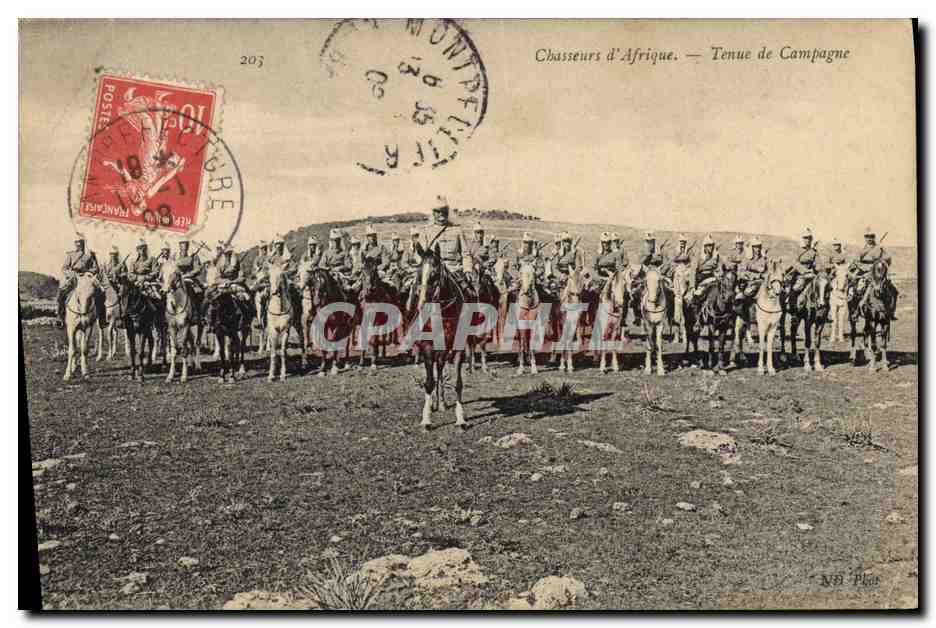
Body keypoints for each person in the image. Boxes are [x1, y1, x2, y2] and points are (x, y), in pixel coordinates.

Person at [849, 227, 897, 318]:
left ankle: (891, 311)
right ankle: (856, 310)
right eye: (867, 237)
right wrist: (865, 266)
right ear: (865, 238)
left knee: (893, 290)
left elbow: (888, 259)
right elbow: (856, 261)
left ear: (874, 237)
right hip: (864, 271)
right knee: (857, 289)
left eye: (871, 236)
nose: (869, 238)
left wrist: (880, 257)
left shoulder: (880, 248)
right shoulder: (861, 249)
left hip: (877, 271)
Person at [57, 233, 100, 321]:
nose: (78, 245)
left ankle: (99, 317)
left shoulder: (89, 255)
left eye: (80, 243)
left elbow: (95, 268)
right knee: (61, 293)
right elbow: (64, 268)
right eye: (76, 243)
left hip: (85, 278)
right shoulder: (71, 255)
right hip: (73, 278)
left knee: (99, 292)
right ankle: (60, 317)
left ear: (83, 243)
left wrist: (87, 272)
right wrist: (71, 273)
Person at [789, 228, 818, 297]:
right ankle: (791, 301)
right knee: (797, 287)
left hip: (811, 274)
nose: (807, 240)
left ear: (811, 239)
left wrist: (816, 268)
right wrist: (805, 270)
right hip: (798, 274)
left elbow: (817, 263)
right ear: (803, 239)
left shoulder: (814, 251)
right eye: (805, 238)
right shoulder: (798, 249)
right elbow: (794, 262)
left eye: (809, 238)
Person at [738, 237, 768, 301]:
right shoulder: (747, 259)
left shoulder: (764, 259)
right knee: (745, 294)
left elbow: (766, 271)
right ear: (752, 248)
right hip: (748, 283)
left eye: (759, 247)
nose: (758, 249)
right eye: (756, 247)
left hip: (761, 283)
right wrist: (755, 275)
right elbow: (741, 272)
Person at [693, 234, 721, 299]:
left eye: (712, 245)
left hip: (712, 277)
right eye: (709, 245)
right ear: (705, 247)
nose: (711, 247)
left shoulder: (715, 257)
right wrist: (692, 286)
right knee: (698, 295)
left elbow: (719, 268)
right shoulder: (699, 257)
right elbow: (693, 271)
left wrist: (718, 274)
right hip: (701, 279)